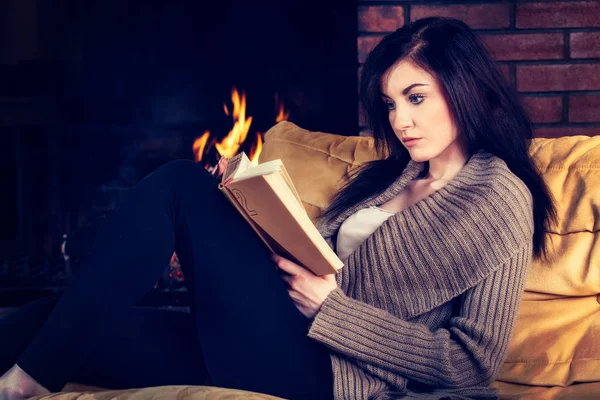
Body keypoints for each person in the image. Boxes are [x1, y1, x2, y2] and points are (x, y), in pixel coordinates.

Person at [0, 16, 556, 400]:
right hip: (268, 337)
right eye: (390, 104)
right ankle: (30, 372)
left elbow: (469, 362)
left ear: (464, 91)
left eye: (416, 98)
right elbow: (308, 258)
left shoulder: (499, 198)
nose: (399, 121)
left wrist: (331, 311)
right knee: (43, 321)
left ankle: (29, 383)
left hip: (331, 376)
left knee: (178, 184)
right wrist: (245, 208)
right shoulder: (393, 176)